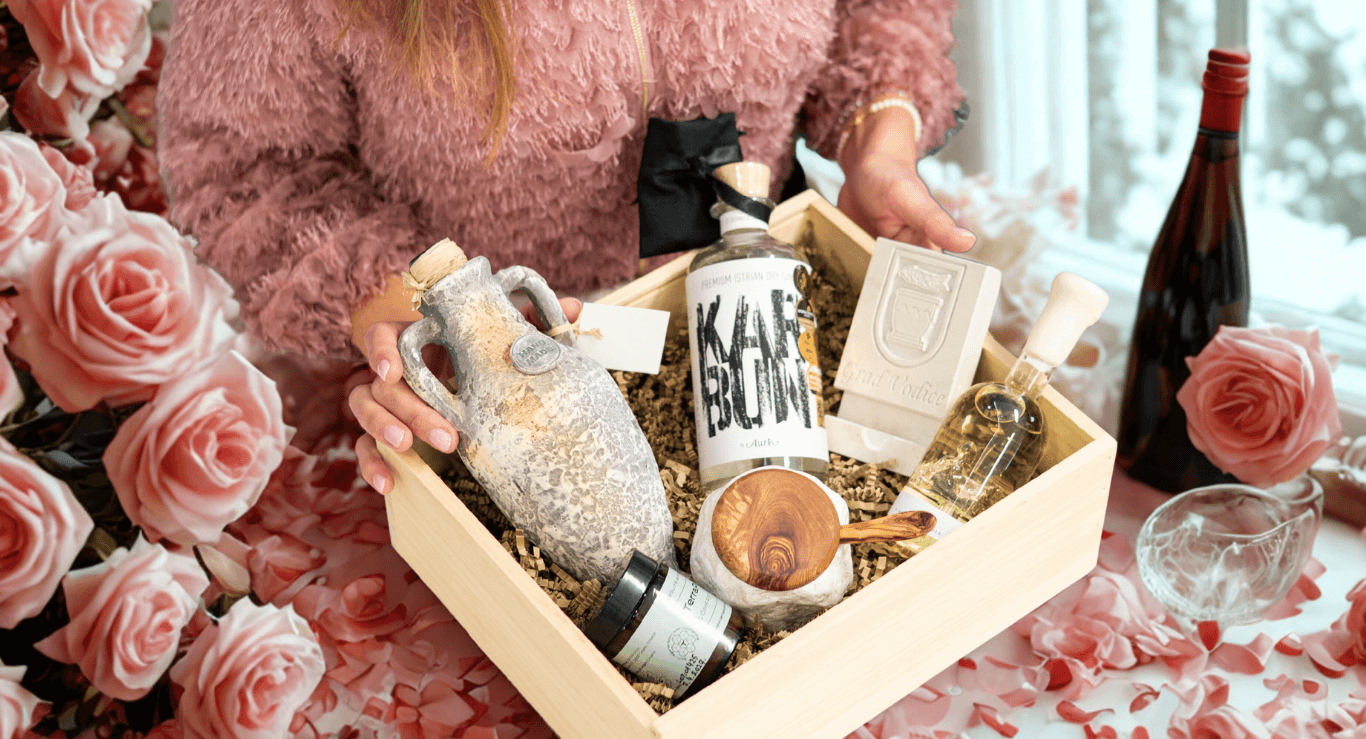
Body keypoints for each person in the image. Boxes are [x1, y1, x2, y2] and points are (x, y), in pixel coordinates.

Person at [157, 0, 977, 495]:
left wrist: (879, 132)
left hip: (770, 291)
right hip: (504, 390)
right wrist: (420, 313)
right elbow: (241, 168)